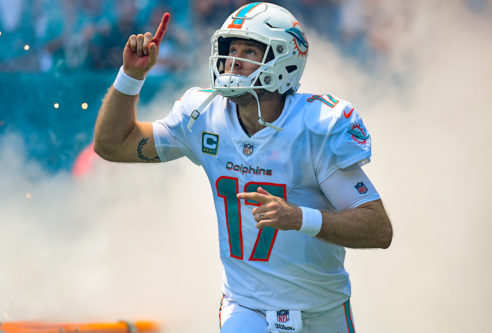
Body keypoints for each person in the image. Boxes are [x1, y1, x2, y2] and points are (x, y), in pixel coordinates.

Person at [94, 2, 392, 332]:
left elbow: (377, 228)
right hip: (246, 307)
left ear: (284, 60)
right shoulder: (203, 114)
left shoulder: (317, 125)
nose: (233, 60)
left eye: (249, 50)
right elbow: (113, 144)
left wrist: (298, 218)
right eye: (231, 48)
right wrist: (131, 76)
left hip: (321, 310)